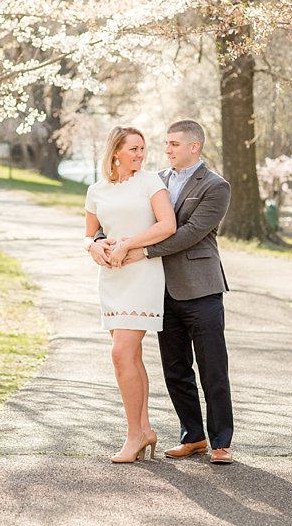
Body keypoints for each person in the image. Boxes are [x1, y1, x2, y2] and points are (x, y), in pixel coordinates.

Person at [90, 119, 236, 464]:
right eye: (166, 144)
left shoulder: (216, 186)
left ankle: (221, 442)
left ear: (193, 147)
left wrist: (141, 251)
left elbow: (191, 231)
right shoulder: (156, 180)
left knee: (212, 366)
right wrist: (99, 242)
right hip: (156, 288)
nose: (165, 149)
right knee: (175, 367)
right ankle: (193, 436)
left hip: (200, 286)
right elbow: (122, 217)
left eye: (172, 144)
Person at [83, 125, 177, 463]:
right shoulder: (96, 190)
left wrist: (127, 243)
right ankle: (144, 429)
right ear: (116, 151)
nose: (140, 154)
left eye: (142, 148)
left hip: (142, 272)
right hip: (111, 277)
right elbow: (88, 235)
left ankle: (134, 435)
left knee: (121, 352)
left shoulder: (151, 181)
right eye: (133, 149)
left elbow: (167, 225)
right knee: (130, 356)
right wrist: (93, 247)